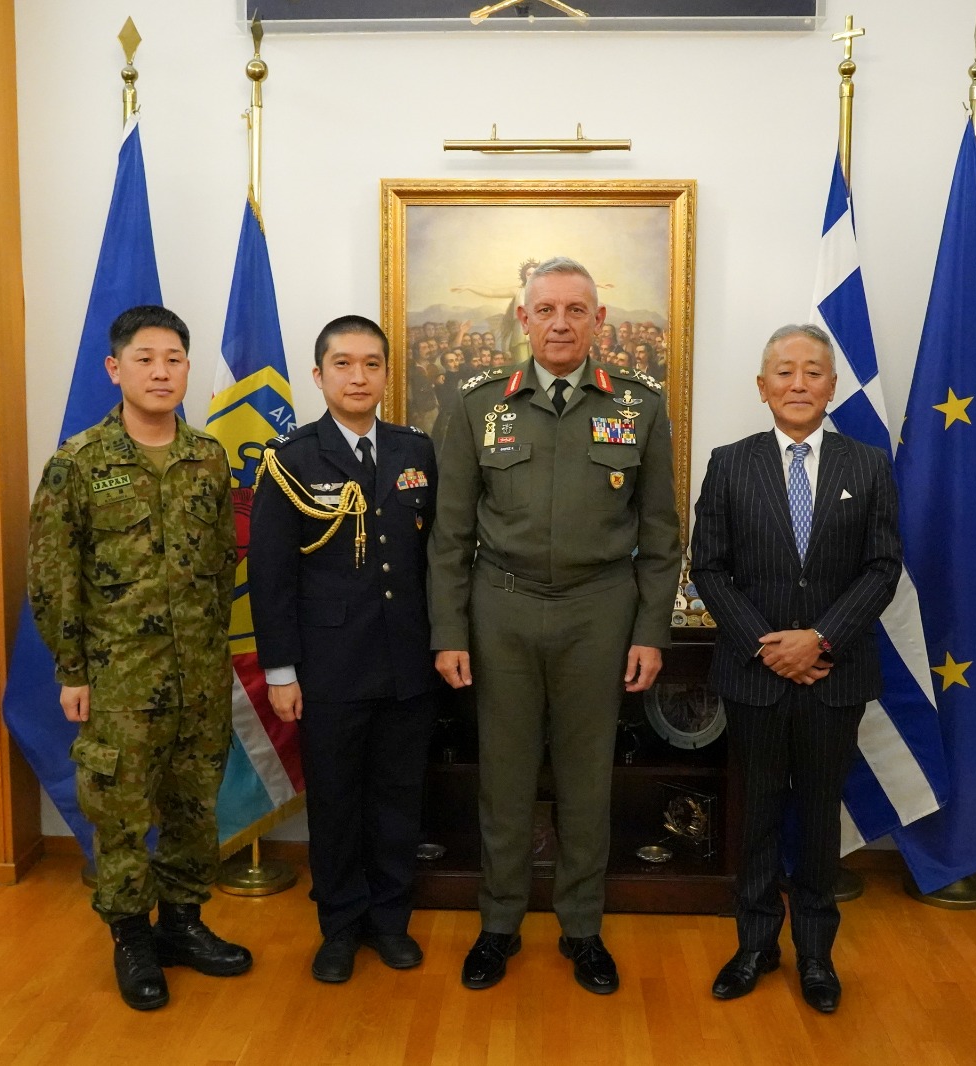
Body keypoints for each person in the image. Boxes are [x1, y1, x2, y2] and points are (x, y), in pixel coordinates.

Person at [429, 257, 681, 995]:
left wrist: (651, 631)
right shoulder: (478, 405)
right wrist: (449, 632)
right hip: (501, 610)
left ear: (599, 320)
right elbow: (449, 535)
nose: (561, 324)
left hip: (598, 611)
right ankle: (499, 923)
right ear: (524, 319)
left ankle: (582, 927)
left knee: (586, 779)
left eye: (576, 310)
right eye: (546, 310)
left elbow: (660, 533)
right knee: (503, 779)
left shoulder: (639, 406)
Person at [27, 304, 251, 1012]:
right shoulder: (78, 462)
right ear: (114, 368)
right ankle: (131, 937)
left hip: (199, 674)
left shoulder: (208, 456)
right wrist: (71, 669)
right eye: (145, 358)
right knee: (120, 812)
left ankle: (182, 923)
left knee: (193, 805)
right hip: (119, 677)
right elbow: (53, 574)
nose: (161, 372)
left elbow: (223, 562)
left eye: (174, 359)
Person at [689, 323, 901, 1015]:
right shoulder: (729, 464)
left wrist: (819, 640)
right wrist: (770, 646)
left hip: (834, 676)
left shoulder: (867, 465)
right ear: (763, 387)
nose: (799, 383)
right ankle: (754, 946)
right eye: (784, 371)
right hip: (755, 675)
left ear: (832, 386)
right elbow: (709, 568)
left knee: (817, 818)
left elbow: (882, 567)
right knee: (754, 815)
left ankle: (815, 954)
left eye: (813, 371)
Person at [251, 315, 440, 984]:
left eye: (371, 364)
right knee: (334, 804)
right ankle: (338, 926)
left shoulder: (416, 451)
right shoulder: (291, 458)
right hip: (327, 668)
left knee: (398, 800)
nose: (358, 377)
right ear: (319, 375)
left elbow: (437, 557)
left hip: (408, 663)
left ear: (387, 373)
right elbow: (270, 574)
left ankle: (389, 921)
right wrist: (280, 670)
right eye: (343, 364)